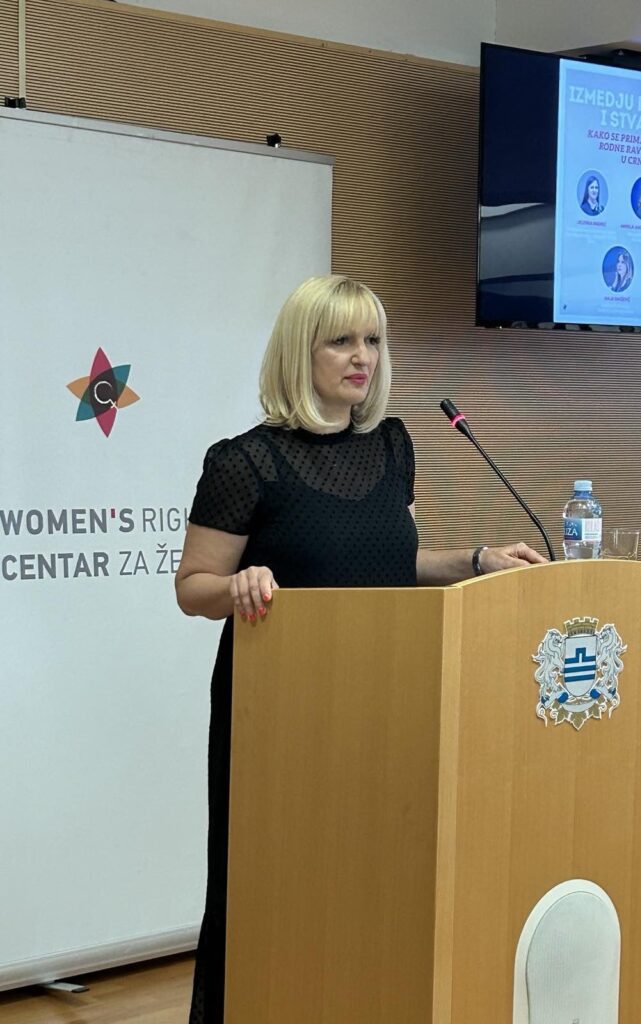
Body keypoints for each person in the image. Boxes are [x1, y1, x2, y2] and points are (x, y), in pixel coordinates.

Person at [175, 274, 546, 1023]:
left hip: (384, 700)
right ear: (299, 351)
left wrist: (477, 560)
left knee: (374, 880)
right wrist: (238, 584)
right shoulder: (244, 462)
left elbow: (389, 561)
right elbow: (192, 587)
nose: (362, 357)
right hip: (282, 712)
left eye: (372, 340)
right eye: (341, 340)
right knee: (278, 883)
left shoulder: (392, 446)